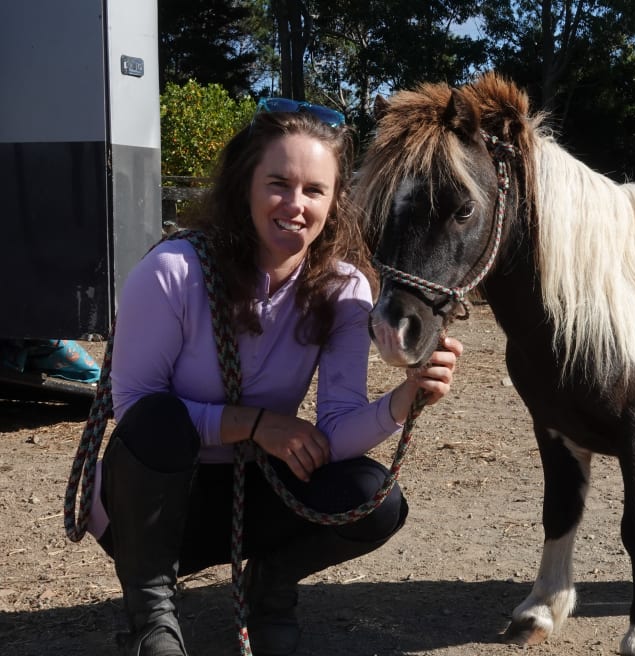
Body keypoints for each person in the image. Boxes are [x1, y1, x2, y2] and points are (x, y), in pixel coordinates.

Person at [85, 99, 463, 656]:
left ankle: (272, 585)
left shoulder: (343, 290)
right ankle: (151, 616)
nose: (295, 205)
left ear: (334, 204)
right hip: (155, 504)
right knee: (158, 419)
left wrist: (404, 399)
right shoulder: (174, 271)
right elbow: (136, 411)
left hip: (258, 492)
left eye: (315, 190)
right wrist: (256, 425)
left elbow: (333, 428)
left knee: (375, 498)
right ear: (245, 185)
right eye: (278, 184)